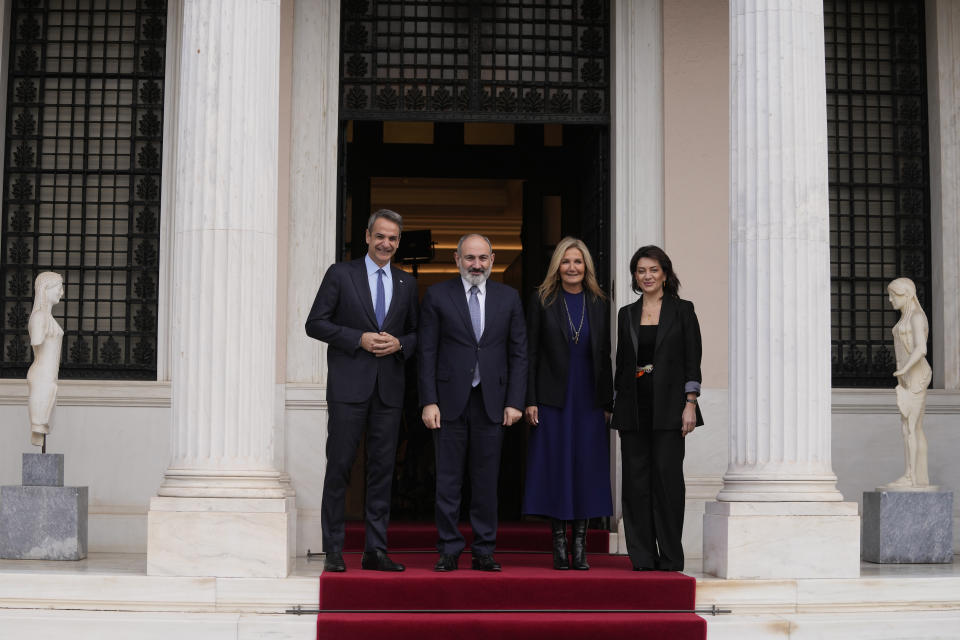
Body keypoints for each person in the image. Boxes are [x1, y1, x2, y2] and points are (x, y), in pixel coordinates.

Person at [305, 209, 419, 573]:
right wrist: (358, 338)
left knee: (382, 471)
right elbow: (315, 323)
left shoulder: (406, 283)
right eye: (381, 236)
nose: (386, 243)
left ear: (398, 243)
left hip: (389, 392)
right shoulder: (341, 274)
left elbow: (418, 334)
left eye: (393, 238)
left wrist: (400, 343)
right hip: (348, 389)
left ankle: (375, 550)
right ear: (368, 236)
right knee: (339, 467)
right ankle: (334, 549)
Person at [419, 233, 527, 572]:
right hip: (448, 402)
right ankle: (449, 548)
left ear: (493, 260)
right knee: (448, 481)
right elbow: (426, 352)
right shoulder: (437, 295)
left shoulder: (509, 298)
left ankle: (484, 550)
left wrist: (515, 401)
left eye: (482, 258)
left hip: (492, 403)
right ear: (457, 259)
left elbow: (519, 353)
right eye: (470, 258)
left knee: (485, 481)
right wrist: (428, 401)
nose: (476, 264)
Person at [523, 237, 613, 570]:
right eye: (566, 261)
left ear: (586, 266)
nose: (572, 267)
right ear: (557, 266)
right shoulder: (542, 300)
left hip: (589, 399)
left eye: (578, 261)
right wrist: (529, 399)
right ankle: (559, 544)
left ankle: (580, 547)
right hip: (552, 399)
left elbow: (605, 355)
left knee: (586, 468)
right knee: (557, 467)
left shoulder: (599, 301)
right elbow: (530, 353)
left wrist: (607, 401)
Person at [611, 245, 703, 572]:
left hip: (670, 410)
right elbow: (624, 365)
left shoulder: (683, 311)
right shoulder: (626, 314)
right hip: (633, 410)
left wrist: (690, 403)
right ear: (635, 277)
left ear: (664, 273)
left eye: (653, 270)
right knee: (635, 485)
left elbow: (693, 360)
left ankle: (670, 557)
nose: (647, 276)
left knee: (667, 483)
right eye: (641, 271)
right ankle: (642, 556)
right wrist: (615, 404)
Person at [883, 277, 932, 489]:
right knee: (909, 427)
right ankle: (916, 476)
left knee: (911, 427)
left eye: (894, 295)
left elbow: (921, 348)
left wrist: (904, 368)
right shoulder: (906, 318)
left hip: (916, 376)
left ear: (907, 295)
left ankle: (913, 476)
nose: (890, 300)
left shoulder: (917, 317)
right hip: (907, 378)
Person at [28, 272, 65, 448]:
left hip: (49, 379)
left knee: (45, 422)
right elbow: (36, 340)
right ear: (45, 289)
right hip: (41, 378)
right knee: (39, 425)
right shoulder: (40, 317)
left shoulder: (47, 317)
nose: (61, 292)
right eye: (59, 287)